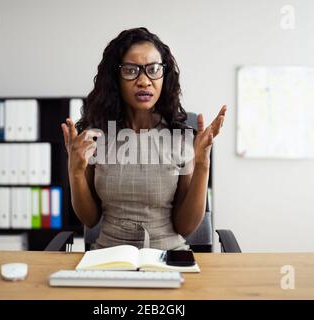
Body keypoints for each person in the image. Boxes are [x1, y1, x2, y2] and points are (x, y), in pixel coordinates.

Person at [61, 27, 226, 250]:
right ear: (115, 78)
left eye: (153, 69)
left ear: (164, 76)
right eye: (131, 70)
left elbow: (185, 227)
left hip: (168, 257)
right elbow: (90, 219)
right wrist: (76, 171)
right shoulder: (96, 136)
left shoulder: (180, 136)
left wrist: (202, 164)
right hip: (108, 257)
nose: (144, 81)